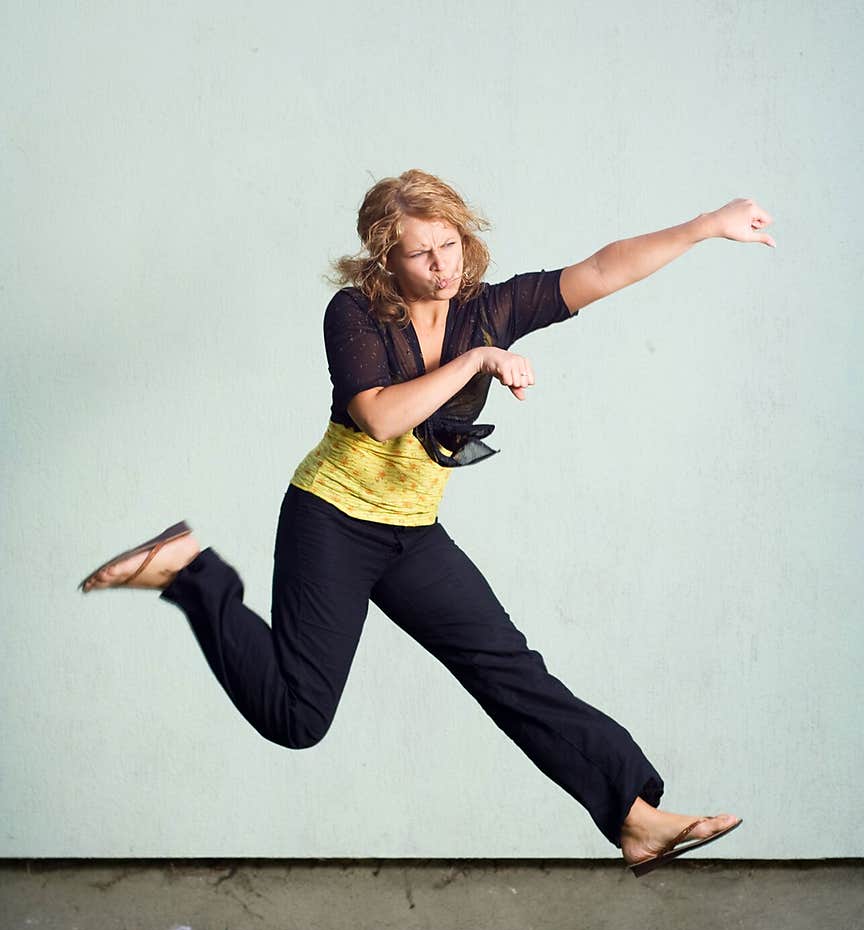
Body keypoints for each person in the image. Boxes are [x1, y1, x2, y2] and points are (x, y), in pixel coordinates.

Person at [80, 170, 773, 876]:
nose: (444, 266)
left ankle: (635, 817)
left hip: (412, 532)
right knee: (297, 718)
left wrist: (705, 225)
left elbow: (600, 268)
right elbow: (379, 415)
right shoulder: (354, 312)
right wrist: (478, 359)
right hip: (332, 520)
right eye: (422, 254)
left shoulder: (489, 308)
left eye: (451, 245)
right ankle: (194, 573)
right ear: (388, 258)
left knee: (508, 668)